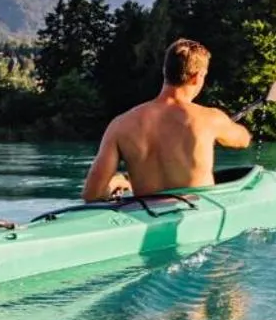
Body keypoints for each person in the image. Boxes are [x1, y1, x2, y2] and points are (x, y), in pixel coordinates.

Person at [80, 38, 252, 202]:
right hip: (195, 212)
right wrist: (221, 128)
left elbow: (92, 194)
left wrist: (117, 182)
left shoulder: (120, 124)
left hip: (145, 212)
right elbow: (243, 140)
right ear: (198, 76)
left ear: (165, 71)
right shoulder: (210, 119)